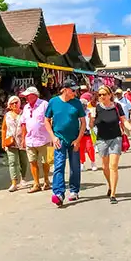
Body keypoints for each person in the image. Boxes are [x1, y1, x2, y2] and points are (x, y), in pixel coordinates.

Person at [44, 79, 87, 207]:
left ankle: (74, 190)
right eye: (73, 90)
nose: (75, 92)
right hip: (59, 139)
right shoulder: (53, 102)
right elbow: (46, 120)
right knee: (59, 165)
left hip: (74, 139)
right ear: (65, 89)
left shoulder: (77, 103)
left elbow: (83, 122)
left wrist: (78, 139)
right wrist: (53, 137)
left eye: (76, 90)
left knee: (74, 166)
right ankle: (58, 193)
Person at [91, 86, 131, 204]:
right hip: (101, 139)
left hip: (115, 138)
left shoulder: (116, 106)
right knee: (105, 167)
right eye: (99, 95)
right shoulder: (96, 107)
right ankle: (110, 184)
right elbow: (91, 124)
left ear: (110, 95)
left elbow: (123, 119)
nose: (102, 97)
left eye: (104, 94)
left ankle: (113, 194)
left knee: (113, 166)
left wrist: (130, 128)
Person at [20, 86, 51, 193]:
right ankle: (36, 183)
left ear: (34, 95)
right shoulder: (26, 107)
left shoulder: (44, 104)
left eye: (27, 96)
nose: (26, 98)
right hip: (30, 139)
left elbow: (50, 119)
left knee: (45, 162)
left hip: (44, 138)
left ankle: (46, 181)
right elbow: (23, 123)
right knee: (32, 162)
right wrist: (23, 138)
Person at [1, 96, 29, 192]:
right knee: (12, 162)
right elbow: (4, 129)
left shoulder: (23, 113)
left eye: (16, 102)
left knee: (23, 161)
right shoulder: (7, 115)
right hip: (11, 141)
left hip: (22, 141)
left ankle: (23, 178)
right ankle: (14, 182)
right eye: (12, 103)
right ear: (9, 105)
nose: (14, 105)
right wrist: (3, 142)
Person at [79, 92, 97, 172]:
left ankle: (93, 162)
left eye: (84, 105)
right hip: (79, 133)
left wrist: (91, 122)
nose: (83, 106)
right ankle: (82, 163)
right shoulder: (76, 112)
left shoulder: (89, 111)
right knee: (81, 149)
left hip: (88, 132)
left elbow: (92, 121)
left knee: (90, 148)